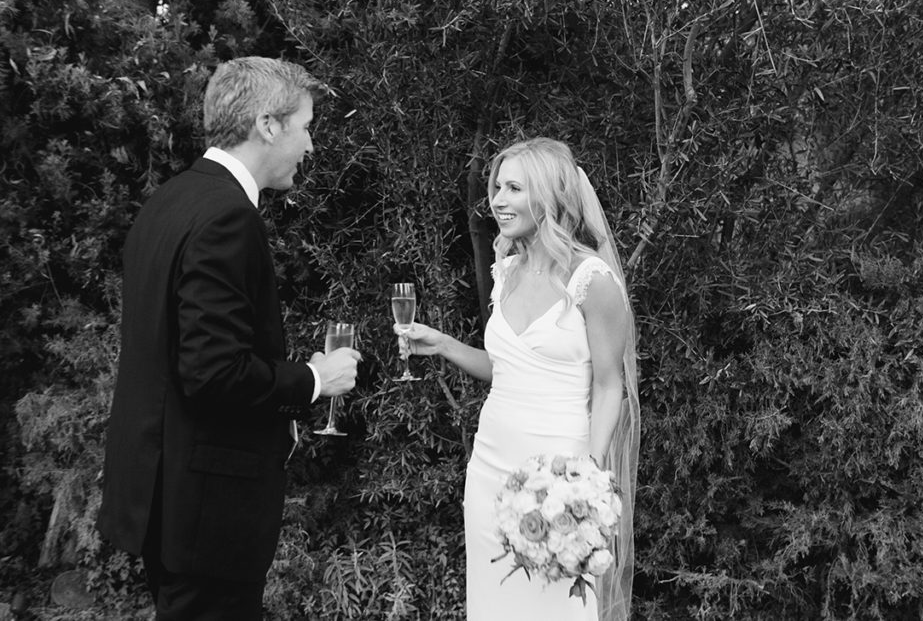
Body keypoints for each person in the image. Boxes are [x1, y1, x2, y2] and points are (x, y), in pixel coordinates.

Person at [96, 57, 361, 620]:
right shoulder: (227, 217)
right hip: (204, 511)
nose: (310, 147)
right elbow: (212, 371)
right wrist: (316, 379)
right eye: (306, 127)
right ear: (268, 124)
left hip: (161, 495)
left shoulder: (169, 201)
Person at [401, 137, 640, 620]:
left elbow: (609, 385)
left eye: (514, 188)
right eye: (497, 187)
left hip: (558, 476)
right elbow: (507, 370)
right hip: (490, 469)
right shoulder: (506, 269)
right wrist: (444, 344)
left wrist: (585, 480)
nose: (498, 200)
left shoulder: (592, 281)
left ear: (549, 197)